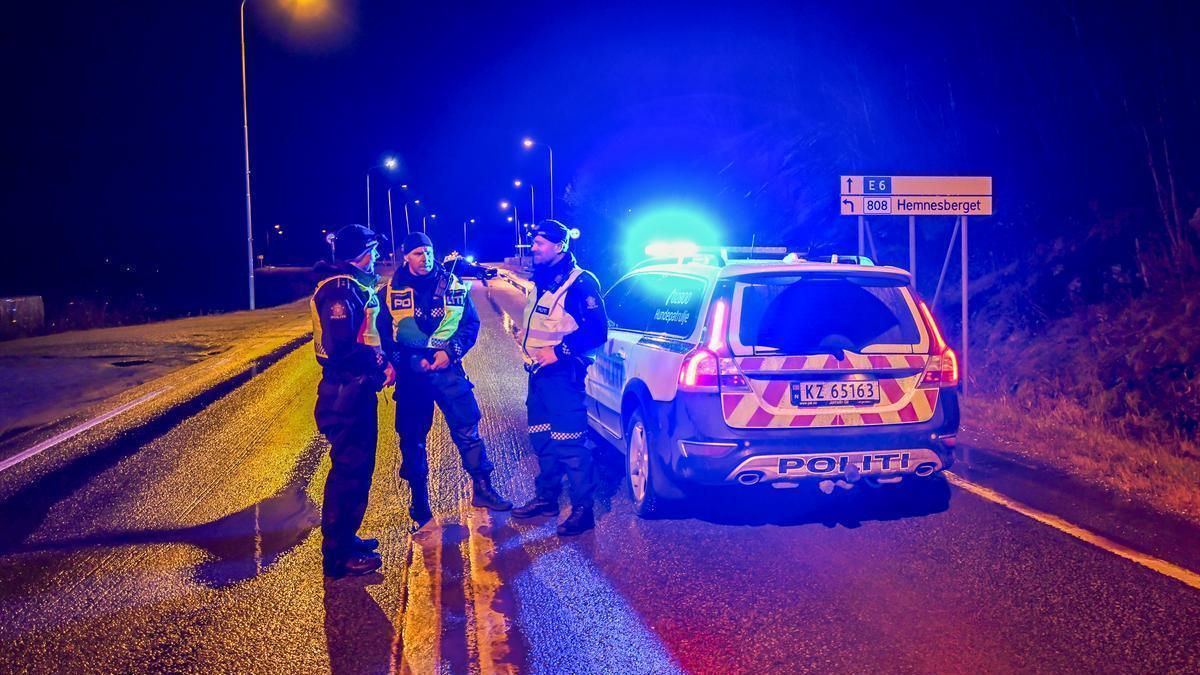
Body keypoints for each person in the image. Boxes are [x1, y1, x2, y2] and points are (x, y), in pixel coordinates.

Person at [377, 231, 512, 527]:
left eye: (427, 251)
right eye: (416, 253)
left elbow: (469, 325)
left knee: (467, 428)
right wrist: (403, 363)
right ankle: (419, 500)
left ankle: (483, 489)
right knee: (412, 439)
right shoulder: (390, 290)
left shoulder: (451, 283)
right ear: (405, 256)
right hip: (412, 377)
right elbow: (383, 334)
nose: (423, 258)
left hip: (447, 369)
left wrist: (450, 353)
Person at [511, 220, 608, 536]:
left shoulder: (580, 283)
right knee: (542, 438)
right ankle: (547, 498)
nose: (534, 248)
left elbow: (597, 331)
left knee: (569, 443)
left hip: (563, 376)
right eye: (534, 242)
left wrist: (560, 351)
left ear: (561, 246)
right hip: (538, 376)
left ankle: (583, 510)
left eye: (541, 243)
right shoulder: (541, 280)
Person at [311, 224, 394, 578]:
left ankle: (346, 537)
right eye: (373, 250)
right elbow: (343, 348)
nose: (376, 256)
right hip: (347, 391)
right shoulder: (340, 290)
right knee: (348, 472)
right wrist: (376, 370)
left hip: (356, 389)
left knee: (358, 471)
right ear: (360, 253)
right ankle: (337, 556)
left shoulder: (353, 285)